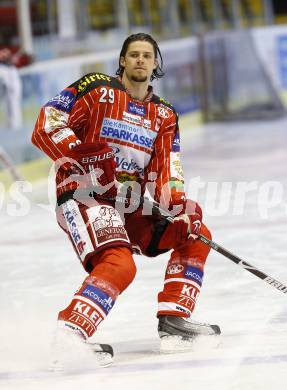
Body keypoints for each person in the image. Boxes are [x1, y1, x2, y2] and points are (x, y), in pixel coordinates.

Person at [32, 33, 220, 367]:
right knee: (120, 263)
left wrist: (175, 205)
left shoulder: (164, 115)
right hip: (85, 196)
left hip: (128, 203)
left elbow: (167, 170)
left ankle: (174, 319)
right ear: (122, 60)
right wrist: (80, 155)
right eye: (133, 54)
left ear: (155, 63)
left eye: (147, 55)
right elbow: (48, 121)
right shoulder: (96, 88)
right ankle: (69, 334)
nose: (140, 61)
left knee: (194, 230)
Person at [0, 47, 23, 130]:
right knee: (9, 109)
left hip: (13, 90)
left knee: (14, 107)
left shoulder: (11, 68)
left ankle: (15, 125)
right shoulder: (2, 68)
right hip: (8, 92)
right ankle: (12, 125)